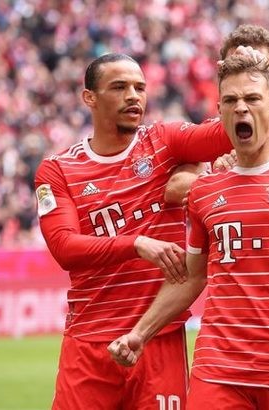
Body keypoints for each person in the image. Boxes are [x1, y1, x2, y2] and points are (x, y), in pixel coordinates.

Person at [108, 51, 269, 409]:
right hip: (218, 368)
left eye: (252, 98)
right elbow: (192, 276)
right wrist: (140, 333)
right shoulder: (205, 190)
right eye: (230, 100)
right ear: (219, 110)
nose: (241, 108)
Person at [34, 53, 233, 409]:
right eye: (119, 87)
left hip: (158, 338)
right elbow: (64, 247)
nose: (133, 96)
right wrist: (137, 244)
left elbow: (226, 134)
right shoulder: (58, 169)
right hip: (90, 344)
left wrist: (242, 75)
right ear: (89, 98)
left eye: (140, 88)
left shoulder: (164, 141)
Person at [164, 24, 269, 205]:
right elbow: (175, 189)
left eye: (257, 64)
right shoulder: (217, 130)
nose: (244, 74)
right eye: (233, 66)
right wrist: (222, 175)